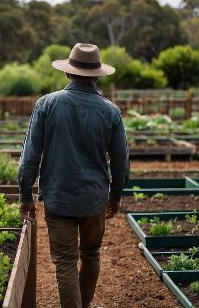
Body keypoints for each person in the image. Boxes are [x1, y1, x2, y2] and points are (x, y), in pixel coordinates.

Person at [18, 43, 129, 308]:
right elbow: (121, 163)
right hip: (94, 198)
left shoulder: (46, 105)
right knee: (90, 255)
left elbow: (30, 155)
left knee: (65, 262)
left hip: (59, 197)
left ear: (68, 73)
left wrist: (25, 194)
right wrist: (115, 196)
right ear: (97, 76)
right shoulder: (111, 111)